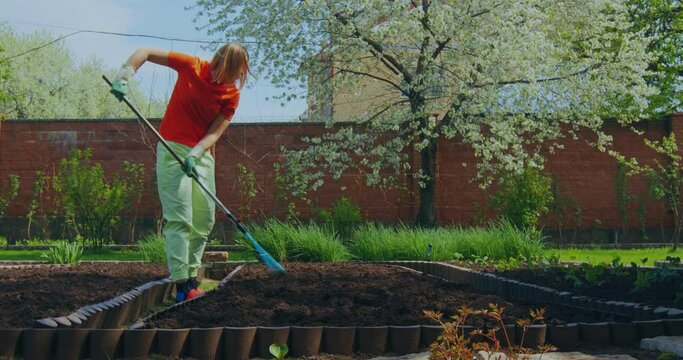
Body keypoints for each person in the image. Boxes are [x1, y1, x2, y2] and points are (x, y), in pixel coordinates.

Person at [110, 44, 249, 302]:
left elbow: (216, 131)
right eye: (231, 73)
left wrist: (196, 153)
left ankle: (193, 277)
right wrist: (124, 76)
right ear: (220, 62)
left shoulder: (232, 94)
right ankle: (182, 283)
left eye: (238, 76)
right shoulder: (191, 66)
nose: (232, 80)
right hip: (172, 146)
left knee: (204, 220)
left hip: (201, 155)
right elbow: (146, 52)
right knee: (180, 218)